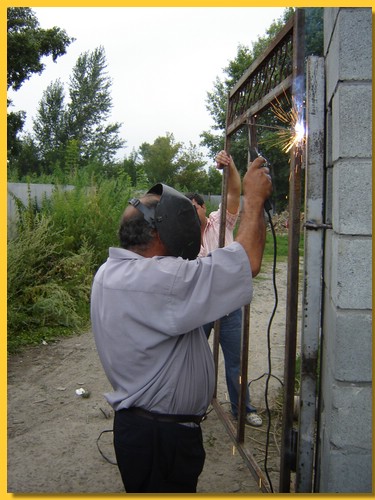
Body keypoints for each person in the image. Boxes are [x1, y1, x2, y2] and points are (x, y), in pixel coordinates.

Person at [90, 156, 272, 493]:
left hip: (139, 430)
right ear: (162, 231)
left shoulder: (108, 272)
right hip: (163, 439)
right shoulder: (163, 279)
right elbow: (248, 262)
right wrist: (255, 199)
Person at [186, 150, 263, 427]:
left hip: (228, 306)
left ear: (203, 207)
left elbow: (233, 192)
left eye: (193, 206)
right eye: (186, 209)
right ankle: (190, 409)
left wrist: (228, 167)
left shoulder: (220, 222)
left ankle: (242, 408)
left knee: (235, 360)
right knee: (191, 359)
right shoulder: (181, 238)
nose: (191, 212)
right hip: (201, 307)